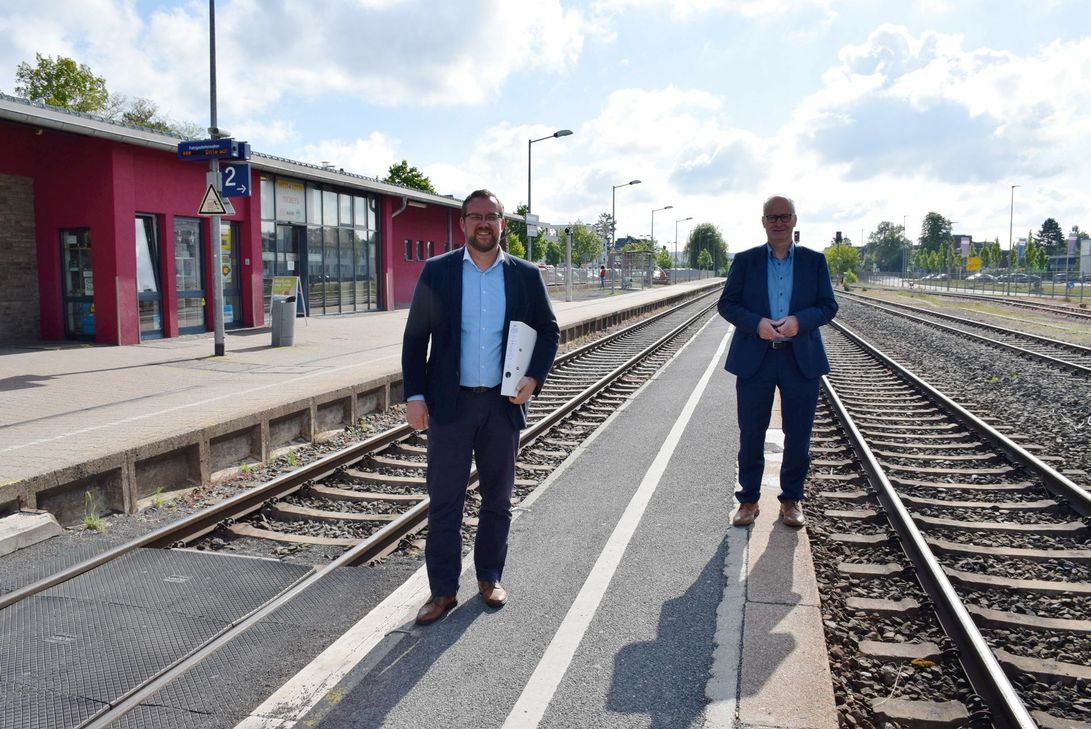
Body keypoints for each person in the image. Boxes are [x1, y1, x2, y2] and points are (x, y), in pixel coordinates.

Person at [402, 189, 560, 625]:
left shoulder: (525, 276)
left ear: (503, 224)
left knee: (497, 499)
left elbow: (549, 331)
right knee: (444, 502)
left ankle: (489, 577)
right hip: (450, 407)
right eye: (475, 217)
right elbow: (416, 337)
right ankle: (442, 592)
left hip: (501, 404)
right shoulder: (439, 272)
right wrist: (415, 395)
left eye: (492, 216)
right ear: (463, 224)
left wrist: (535, 377)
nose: (484, 223)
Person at [717, 195, 838, 528]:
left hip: (801, 360)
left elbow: (829, 306)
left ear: (795, 220)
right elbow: (727, 305)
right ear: (763, 222)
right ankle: (749, 501)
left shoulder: (815, 262)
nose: (779, 222)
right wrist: (757, 324)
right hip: (756, 358)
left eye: (785, 216)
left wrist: (800, 320)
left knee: (798, 434)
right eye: (772, 217)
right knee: (751, 433)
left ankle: (791, 500)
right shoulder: (746, 261)